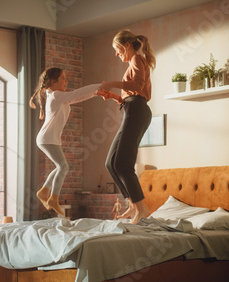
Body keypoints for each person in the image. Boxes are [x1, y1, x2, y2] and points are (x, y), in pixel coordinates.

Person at [30, 68, 116, 215]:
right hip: (47, 138)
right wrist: (100, 85)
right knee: (63, 167)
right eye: (63, 78)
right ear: (53, 81)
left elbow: (77, 97)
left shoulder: (57, 96)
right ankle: (53, 198)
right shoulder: (56, 95)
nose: (66, 81)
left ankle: (44, 191)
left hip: (49, 138)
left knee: (60, 167)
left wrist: (95, 93)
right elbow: (76, 94)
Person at [99, 30, 156, 224]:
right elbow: (131, 94)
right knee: (111, 162)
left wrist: (111, 84)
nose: (117, 54)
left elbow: (138, 87)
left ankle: (142, 208)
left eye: (117, 50)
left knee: (123, 163)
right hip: (132, 108)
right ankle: (132, 205)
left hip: (137, 111)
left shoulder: (137, 60)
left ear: (127, 46)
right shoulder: (135, 61)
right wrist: (114, 96)